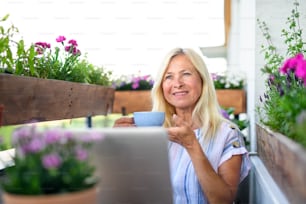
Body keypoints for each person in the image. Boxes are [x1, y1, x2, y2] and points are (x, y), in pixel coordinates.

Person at [114, 48, 251, 204]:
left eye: (186, 74)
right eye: (169, 77)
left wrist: (192, 145)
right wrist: (117, 145)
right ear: (161, 86)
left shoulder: (227, 134)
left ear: (202, 80)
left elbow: (223, 201)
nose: (177, 84)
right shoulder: (153, 133)